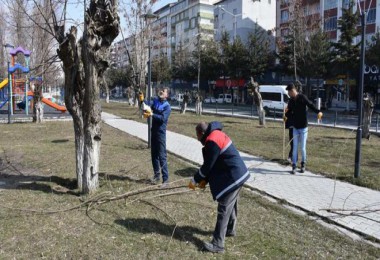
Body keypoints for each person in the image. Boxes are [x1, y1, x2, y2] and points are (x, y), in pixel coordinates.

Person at [189, 121, 250, 253]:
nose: (197, 138)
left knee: (224, 207)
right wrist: (204, 180)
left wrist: (195, 180)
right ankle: (230, 229)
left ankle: (218, 244)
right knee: (231, 204)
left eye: (197, 135)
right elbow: (213, 163)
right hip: (239, 173)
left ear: (201, 133)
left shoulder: (212, 141)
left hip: (233, 175)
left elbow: (208, 166)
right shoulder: (216, 134)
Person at [285, 83, 323, 174]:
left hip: (303, 128)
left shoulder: (302, 97)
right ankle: (294, 166)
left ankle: (303, 165)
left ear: (292, 91)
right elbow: (289, 111)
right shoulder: (291, 101)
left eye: (289, 92)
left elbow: (310, 105)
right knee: (294, 148)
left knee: (302, 148)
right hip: (295, 127)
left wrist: (319, 112)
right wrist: (285, 116)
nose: (289, 94)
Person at [143, 87, 171, 187]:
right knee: (154, 155)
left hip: (161, 134)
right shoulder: (155, 101)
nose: (161, 92)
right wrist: (141, 99)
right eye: (161, 90)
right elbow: (146, 104)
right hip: (153, 132)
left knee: (162, 156)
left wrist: (152, 114)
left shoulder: (167, 106)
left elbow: (162, 119)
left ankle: (166, 180)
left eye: (163, 91)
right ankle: (156, 176)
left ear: (166, 95)